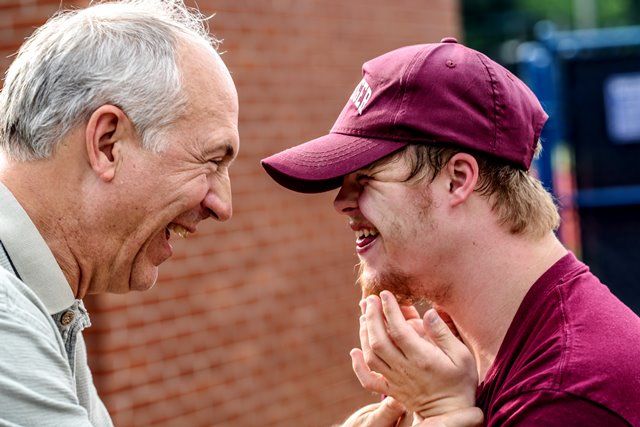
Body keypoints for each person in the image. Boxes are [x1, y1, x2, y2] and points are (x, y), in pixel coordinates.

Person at [262, 38, 640, 426]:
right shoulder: (473, 355)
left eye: (366, 178)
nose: (341, 202)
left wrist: (441, 413)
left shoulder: (567, 395)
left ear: (457, 180)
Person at [0, 0, 238, 424]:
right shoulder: (7, 315)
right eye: (212, 161)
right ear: (107, 143)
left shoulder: (44, 299)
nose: (222, 205)